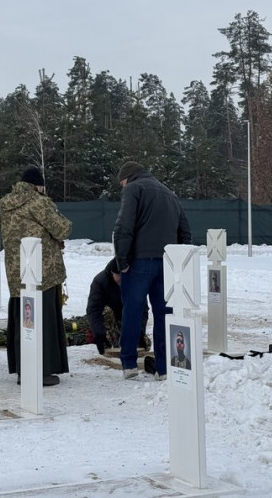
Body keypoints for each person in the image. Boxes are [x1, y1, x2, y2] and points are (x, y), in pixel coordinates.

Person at [112, 160, 192, 381]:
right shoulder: (169, 192)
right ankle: (164, 367)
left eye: (121, 183)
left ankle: (129, 363)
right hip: (167, 263)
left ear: (127, 178)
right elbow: (185, 230)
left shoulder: (132, 189)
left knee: (132, 312)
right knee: (164, 315)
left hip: (139, 261)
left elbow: (123, 226)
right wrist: (178, 262)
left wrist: (122, 261)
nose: (122, 187)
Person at [0, 166, 72, 387]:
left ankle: (24, 369)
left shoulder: (6, 204)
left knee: (24, 321)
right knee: (43, 322)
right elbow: (63, 228)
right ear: (37, 185)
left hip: (17, 272)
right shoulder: (39, 202)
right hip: (43, 272)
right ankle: (42, 370)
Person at [86, 259, 149, 355]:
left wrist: (140, 331)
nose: (122, 279)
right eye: (119, 276)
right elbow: (93, 310)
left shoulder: (135, 280)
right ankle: (110, 341)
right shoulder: (100, 282)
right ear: (112, 273)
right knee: (106, 311)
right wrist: (98, 333)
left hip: (127, 320)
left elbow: (143, 309)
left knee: (147, 344)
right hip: (110, 322)